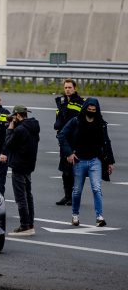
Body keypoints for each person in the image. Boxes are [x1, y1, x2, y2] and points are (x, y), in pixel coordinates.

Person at [58, 98, 115, 227]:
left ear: (97, 110)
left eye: (94, 110)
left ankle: (99, 217)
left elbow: (107, 142)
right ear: (85, 109)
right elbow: (62, 135)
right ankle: (75, 215)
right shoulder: (76, 121)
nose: (91, 111)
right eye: (89, 109)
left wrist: (110, 162)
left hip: (95, 160)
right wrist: (69, 153)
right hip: (79, 160)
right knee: (77, 190)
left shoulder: (101, 123)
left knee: (96, 188)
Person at [0, 105, 40, 236]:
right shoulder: (33, 126)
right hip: (29, 165)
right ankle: (30, 224)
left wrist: (10, 129)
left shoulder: (20, 130)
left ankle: (24, 226)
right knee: (28, 195)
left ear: (17, 115)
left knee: (20, 197)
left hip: (18, 166)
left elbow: (8, 144)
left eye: (14, 117)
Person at [53, 78, 85, 206]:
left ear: (74, 88)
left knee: (74, 171)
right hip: (63, 140)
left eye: (70, 87)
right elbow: (59, 119)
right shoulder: (61, 102)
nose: (67, 89)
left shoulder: (80, 103)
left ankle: (74, 197)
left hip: (75, 141)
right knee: (65, 171)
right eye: (65, 87)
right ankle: (67, 196)